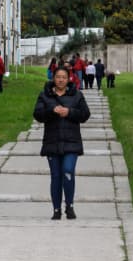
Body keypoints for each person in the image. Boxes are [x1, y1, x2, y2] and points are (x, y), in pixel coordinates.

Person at [33, 66, 91, 221]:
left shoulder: (77, 95)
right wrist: (52, 111)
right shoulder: (45, 95)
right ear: (53, 78)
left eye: (64, 77)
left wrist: (69, 112)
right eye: (58, 77)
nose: (60, 80)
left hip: (72, 142)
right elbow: (37, 114)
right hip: (52, 142)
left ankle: (70, 206)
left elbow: (85, 114)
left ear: (69, 79)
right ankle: (56, 210)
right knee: (56, 176)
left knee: (67, 171)